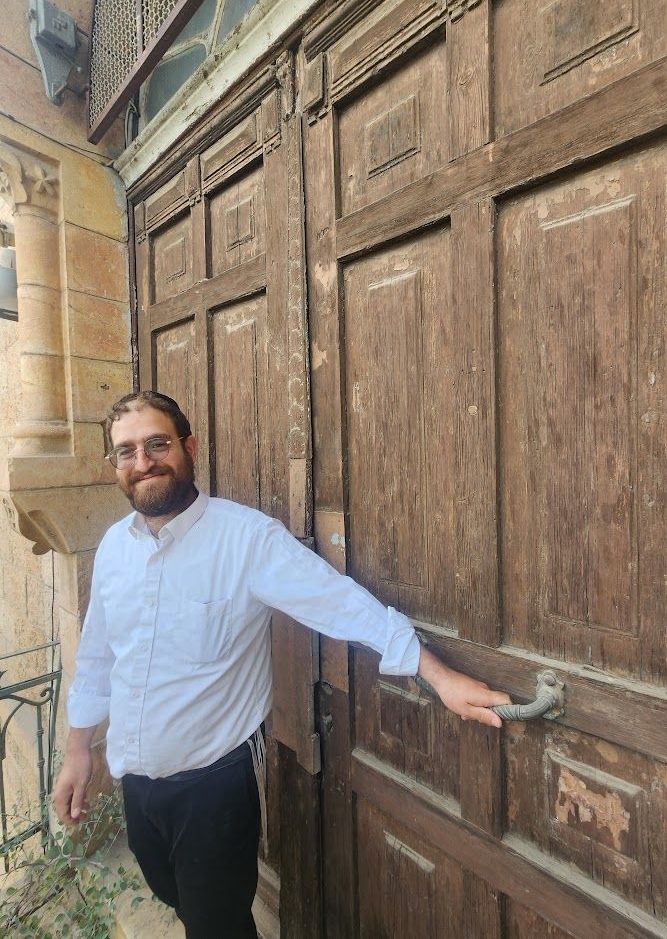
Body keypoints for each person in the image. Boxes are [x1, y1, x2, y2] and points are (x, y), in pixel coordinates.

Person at [53, 390, 511, 939]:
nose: (143, 462)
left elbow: (338, 602)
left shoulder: (245, 539)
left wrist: (438, 675)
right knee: (176, 899)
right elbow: (99, 655)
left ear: (188, 448)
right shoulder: (114, 547)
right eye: (126, 451)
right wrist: (78, 751)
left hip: (213, 789)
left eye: (157, 444)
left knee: (217, 928)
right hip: (136, 783)